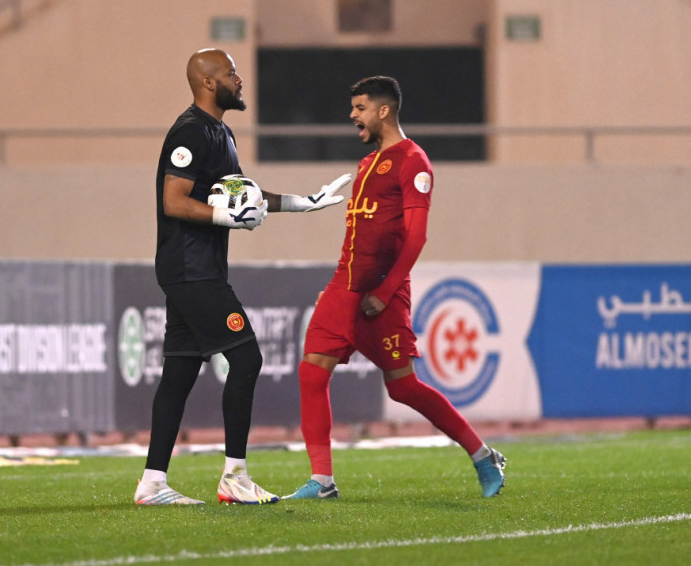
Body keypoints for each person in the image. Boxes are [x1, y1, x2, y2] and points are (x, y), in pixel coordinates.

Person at [134, 48, 351, 506]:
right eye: (232, 73)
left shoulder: (220, 132)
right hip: (192, 269)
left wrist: (304, 202)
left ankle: (152, 483)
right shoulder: (191, 131)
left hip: (195, 268)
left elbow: (243, 195)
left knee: (178, 373)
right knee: (247, 358)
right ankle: (234, 476)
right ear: (210, 82)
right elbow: (174, 201)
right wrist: (223, 218)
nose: (240, 79)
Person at [285, 76, 506, 501]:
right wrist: (335, 292)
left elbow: (416, 237)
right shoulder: (368, 164)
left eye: (360, 107)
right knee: (311, 371)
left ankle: (483, 455)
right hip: (344, 288)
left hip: (381, 295)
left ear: (383, 110)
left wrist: (385, 293)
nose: (353, 115)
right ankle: (323, 481)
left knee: (402, 386)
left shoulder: (413, 161)